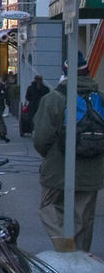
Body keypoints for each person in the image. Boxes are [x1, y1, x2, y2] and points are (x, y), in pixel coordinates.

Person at [33, 54, 104, 252]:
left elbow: (41, 138)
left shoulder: (54, 99)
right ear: (88, 73)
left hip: (58, 169)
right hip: (92, 171)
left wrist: (50, 155)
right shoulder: (101, 98)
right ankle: (80, 258)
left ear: (64, 73)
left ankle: (64, 248)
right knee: (83, 217)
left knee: (48, 207)